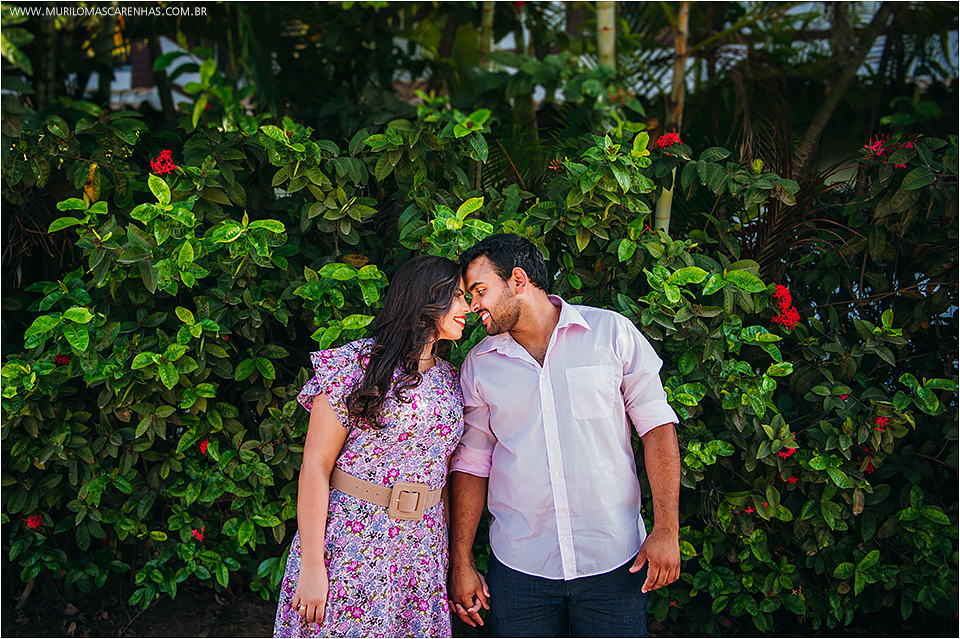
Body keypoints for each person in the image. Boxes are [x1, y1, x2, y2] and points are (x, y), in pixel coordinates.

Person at [448, 233, 682, 637]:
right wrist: (461, 560)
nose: (472, 307)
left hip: (615, 559)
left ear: (518, 280)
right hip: (520, 567)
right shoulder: (480, 365)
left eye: (480, 291)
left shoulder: (611, 334)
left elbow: (657, 429)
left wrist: (666, 530)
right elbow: (472, 463)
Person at [274, 255, 470, 638]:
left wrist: (446, 557)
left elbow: (442, 471)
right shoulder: (356, 365)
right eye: (457, 296)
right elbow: (315, 465)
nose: (467, 308)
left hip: (423, 546)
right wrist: (313, 565)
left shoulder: (452, 379)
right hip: (353, 538)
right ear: (427, 299)